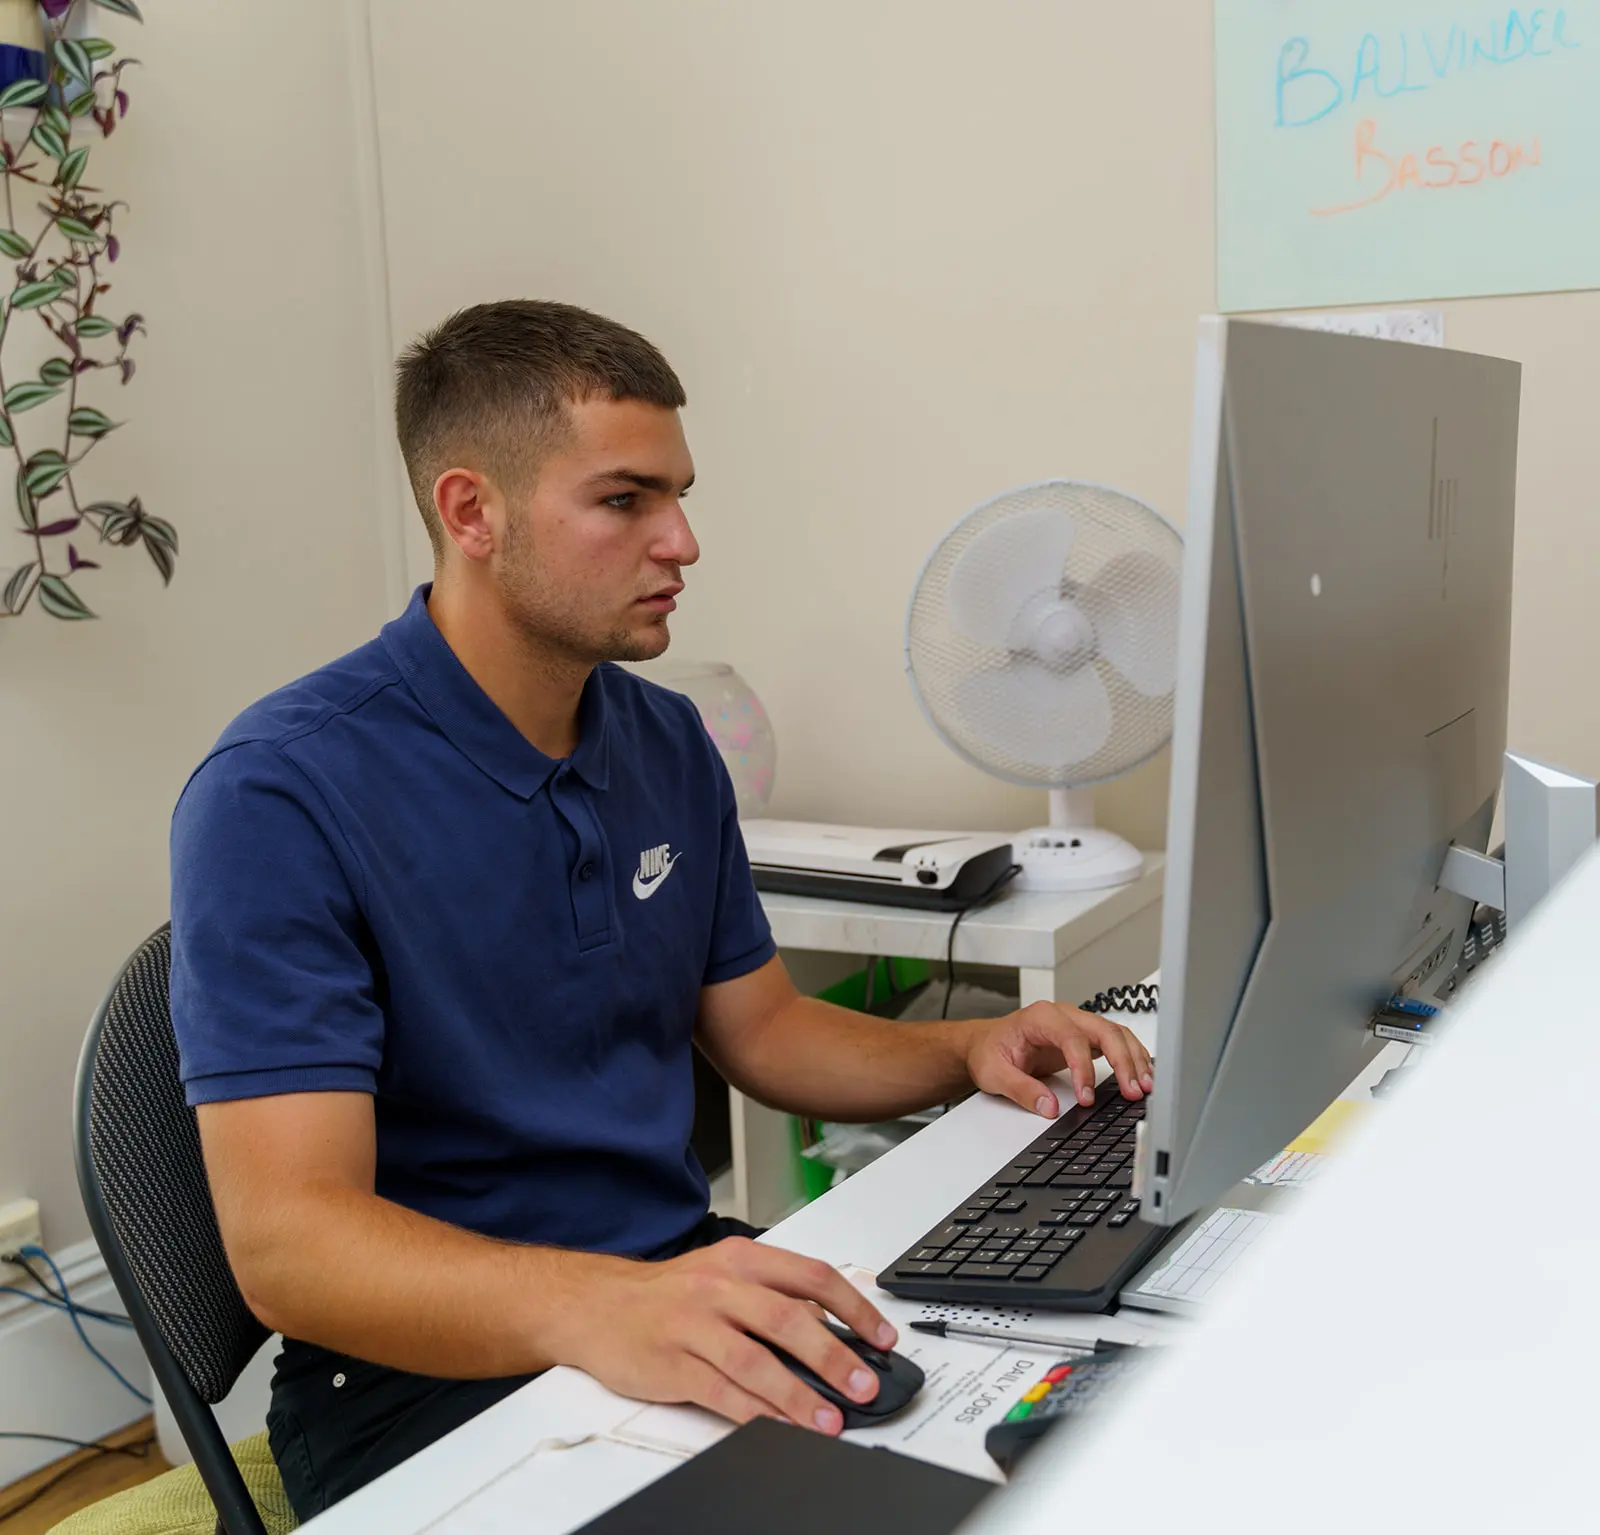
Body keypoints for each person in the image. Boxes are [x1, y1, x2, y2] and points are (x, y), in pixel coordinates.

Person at [169, 299, 1154, 1519]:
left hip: (667, 1280)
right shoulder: (281, 790)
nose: (682, 539)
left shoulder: (664, 737)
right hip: (420, 1381)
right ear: (472, 512)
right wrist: (599, 1304)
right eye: (625, 499)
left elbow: (766, 1032)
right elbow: (290, 1246)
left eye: (679, 494)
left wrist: (968, 1047)